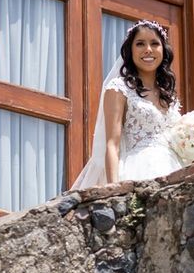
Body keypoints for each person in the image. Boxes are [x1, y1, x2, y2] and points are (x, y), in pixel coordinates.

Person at [71, 20, 183, 189]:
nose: (148, 49)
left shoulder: (169, 97)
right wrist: (114, 188)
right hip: (139, 168)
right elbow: (112, 143)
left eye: (155, 43)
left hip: (174, 169)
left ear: (163, 50)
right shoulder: (119, 89)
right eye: (140, 44)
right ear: (130, 50)